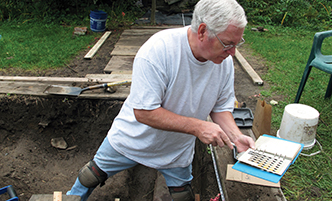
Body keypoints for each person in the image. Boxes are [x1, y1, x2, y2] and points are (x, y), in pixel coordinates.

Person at [67, 0, 255, 200]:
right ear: (202, 31)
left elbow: (220, 108)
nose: (233, 52)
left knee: (183, 196)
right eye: (228, 44)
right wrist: (198, 127)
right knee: (89, 178)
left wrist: (235, 137)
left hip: (176, 150)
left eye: (237, 44)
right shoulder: (159, 50)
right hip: (133, 139)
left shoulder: (223, 63)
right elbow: (144, 112)